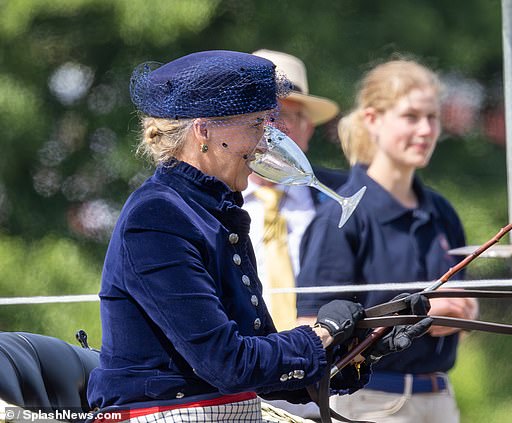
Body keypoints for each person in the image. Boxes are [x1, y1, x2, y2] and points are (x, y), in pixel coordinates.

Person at [85, 50, 385, 423]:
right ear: (204, 130)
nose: (265, 142)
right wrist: (320, 334)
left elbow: (259, 365)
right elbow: (226, 363)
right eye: (256, 124)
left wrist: (358, 348)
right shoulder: (157, 216)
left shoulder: (214, 209)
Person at [296, 57, 478, 423]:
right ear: (372, 120)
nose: (426, 130)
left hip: (441, 398)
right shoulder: (341, 217)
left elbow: (465, 305)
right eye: (411, 117)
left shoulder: (442, 211)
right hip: (371, 404)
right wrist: (414, 318)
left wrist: (466, 314)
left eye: (433, 117)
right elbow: (311, 325)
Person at [242, 49, 346, 332]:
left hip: (328, 359)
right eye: (261, 118)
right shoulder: (211, 200)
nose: (272, 131)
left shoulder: (341, 196)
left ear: (307, 128)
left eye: (283, 117)